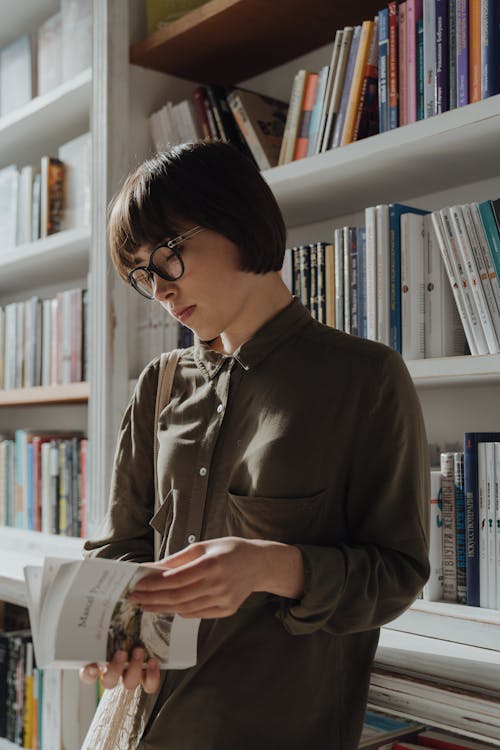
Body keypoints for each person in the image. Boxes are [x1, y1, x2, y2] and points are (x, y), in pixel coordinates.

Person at [81, 140, 430, 750]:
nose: (158, 289)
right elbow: (117, 547)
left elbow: (398, 575)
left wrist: (275, 566)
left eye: (167, 256)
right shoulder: (159, 385)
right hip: (148, 729)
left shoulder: (364, 378)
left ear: (238, 218)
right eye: (140, 274)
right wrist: (117, 637)